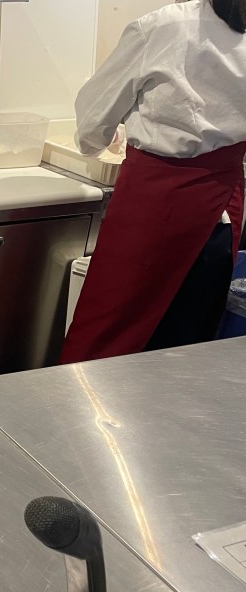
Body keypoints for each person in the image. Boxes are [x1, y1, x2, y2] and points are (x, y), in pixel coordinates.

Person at [60, 0, 246, 363]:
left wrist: (95, 141)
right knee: (185, 348)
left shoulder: (164, 26)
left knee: (107, 337)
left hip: (153, 203)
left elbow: (94, 117)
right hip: (222, 212)